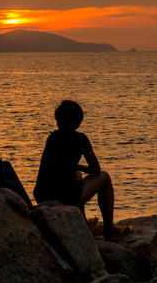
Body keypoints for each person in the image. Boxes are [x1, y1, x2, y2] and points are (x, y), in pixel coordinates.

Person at [33, 99, 133, 241]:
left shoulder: (52, 137)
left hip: (42, 194)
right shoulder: (80, 139)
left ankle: (84, 225)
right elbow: (96, 170)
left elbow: (56, 167)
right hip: (63, 196)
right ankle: (109, 229)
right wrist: (84, 167)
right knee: (105, 177)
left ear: (58, 120)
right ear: (79, 121)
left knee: (76, 175)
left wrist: (77, 168)